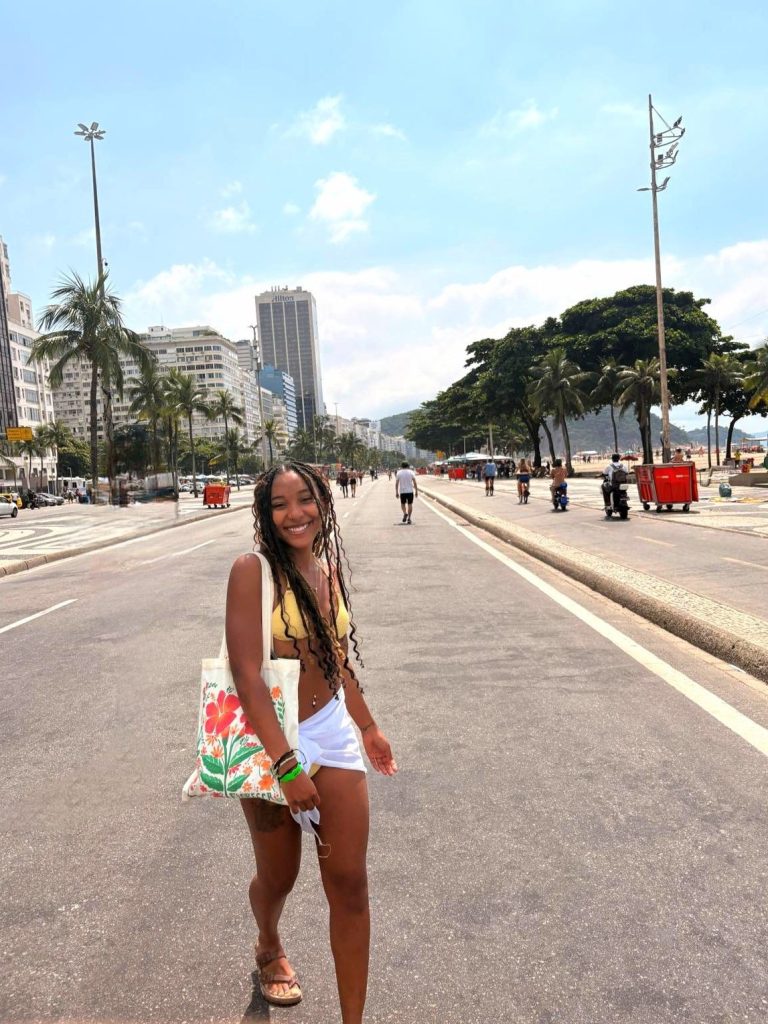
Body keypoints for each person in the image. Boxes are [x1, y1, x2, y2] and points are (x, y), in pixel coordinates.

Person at [225, 462, 397, 1020]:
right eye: (280, 503)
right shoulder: (252, 570)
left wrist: (368, 726)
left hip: (332, 733)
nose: (294, 513)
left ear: (322, 502)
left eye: (304, 499)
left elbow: (335, 658)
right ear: (266, 513)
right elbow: (248, 674)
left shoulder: (327, 569)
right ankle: (269, 944)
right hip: (274, 741)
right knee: (280, 877)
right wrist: (287, 764)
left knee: (349, 884)